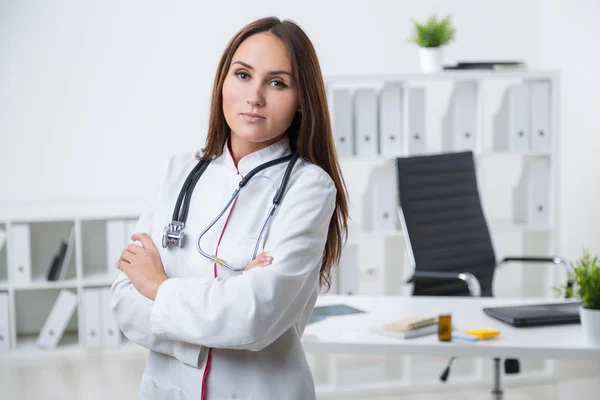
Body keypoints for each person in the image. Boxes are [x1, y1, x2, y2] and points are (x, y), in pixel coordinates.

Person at [110, 16, 349, 400]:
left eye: (277, 82)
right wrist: (227, 298)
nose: (254, 96)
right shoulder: (176, 172)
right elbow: (124, 302)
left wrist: (158, 287)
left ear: (302, 99)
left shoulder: (310, 188)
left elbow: (254, 317)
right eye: (242, 75)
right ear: (223, 80)